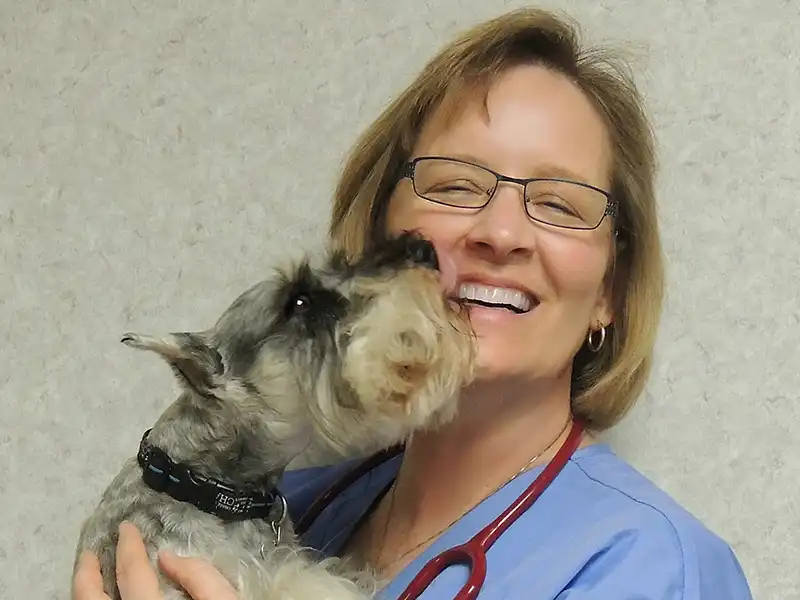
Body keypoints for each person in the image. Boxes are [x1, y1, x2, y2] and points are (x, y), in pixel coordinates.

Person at [73, 7, 754, 600]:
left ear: (609, 290)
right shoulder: (280, 512)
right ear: (374, 241)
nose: (501, 233)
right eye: (455, 186)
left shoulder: (657, 571)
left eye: (557, 204)